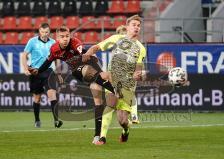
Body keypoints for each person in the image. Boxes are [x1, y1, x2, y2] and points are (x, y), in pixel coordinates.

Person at [28, 25, 115, 143]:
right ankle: (116, 91)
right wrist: (38, 70)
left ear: (70, 36)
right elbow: (48, 62)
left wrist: (91, 58)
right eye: (62, 37)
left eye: (67, 36)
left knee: (98, 101)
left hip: (90, 65)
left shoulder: (75, 42)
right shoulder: (54, 49)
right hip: (78, 70)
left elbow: (82, 55)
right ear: (57, 38)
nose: (65, 39)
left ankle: (97, 136)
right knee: (87, 71)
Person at [83, 15, 146, 145]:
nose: (136, 27)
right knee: (110, 104)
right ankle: (102, 138)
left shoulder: (141, 48)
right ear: (127, 26)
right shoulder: (116, 39)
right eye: (134, 25)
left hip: (128, 84)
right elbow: (98, 47)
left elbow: (138, 69)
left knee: (122, 120)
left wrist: (138, 75)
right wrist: (88, 53)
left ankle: (126, 131)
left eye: (138, 26)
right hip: (113, 79)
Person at [22, 23, 63, 128]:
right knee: (37, 98)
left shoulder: (54, 43)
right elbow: (24, 55)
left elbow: (57, 58)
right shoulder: (32, 41)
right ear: (39, 31)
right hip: (35, 72)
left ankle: (56, 121)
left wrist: (58, 73)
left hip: (49, 72)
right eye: (43, 32)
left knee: (52, 95)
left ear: (49, 32)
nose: (45, 34)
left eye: (47, 32)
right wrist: (26, 68)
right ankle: (37, 120)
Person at [116, 25, 140, 124]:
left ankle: (134, 116)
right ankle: (126, 123)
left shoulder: (135, 45)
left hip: (130, 73)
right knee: (119, 99)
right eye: (120, 34)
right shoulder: (117, 47)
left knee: (130, 94)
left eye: (124, 34)